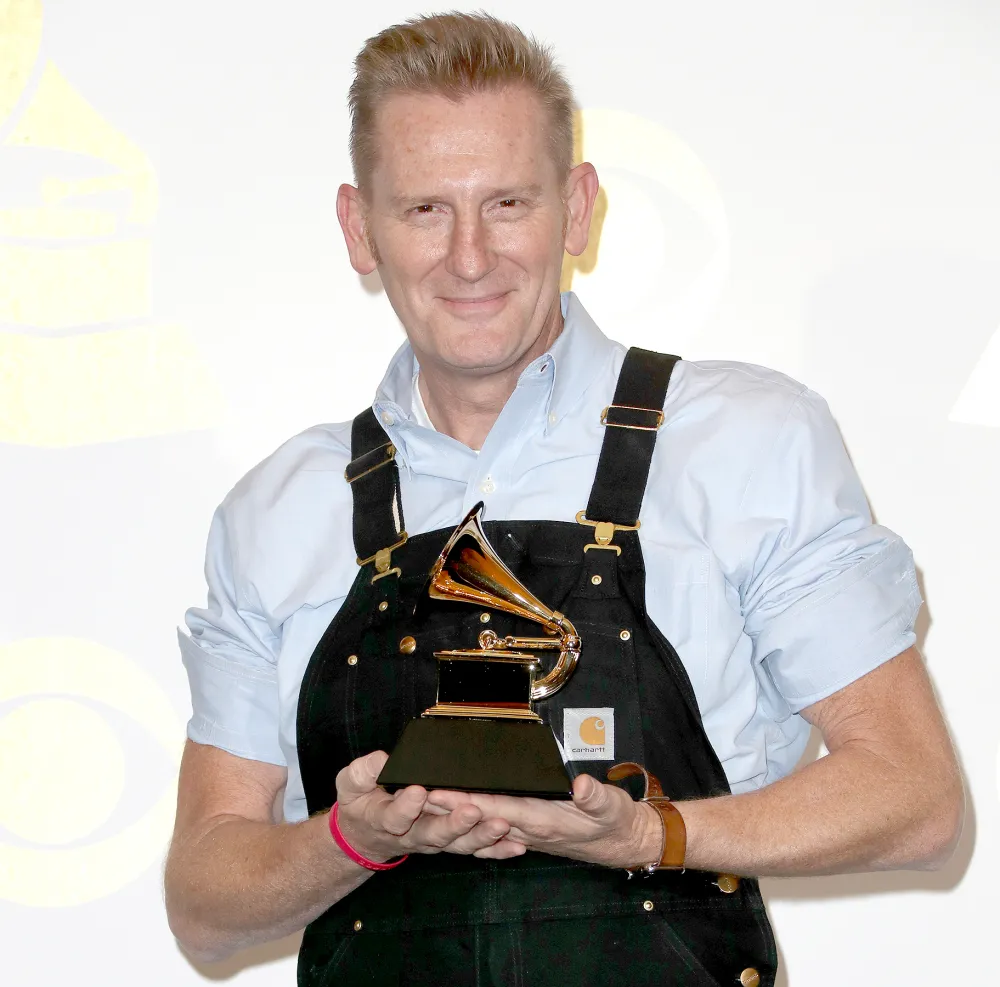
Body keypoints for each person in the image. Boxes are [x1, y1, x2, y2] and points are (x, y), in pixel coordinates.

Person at [164, 12, 963, 986]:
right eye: (423, 210)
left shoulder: (747, 440)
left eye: (507, 203)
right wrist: (352, 838)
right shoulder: (275, 511)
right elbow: (204, 906)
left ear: (576, 209)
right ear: (357, 226)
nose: (468, 258)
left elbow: (914, 798)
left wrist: (650, 835)